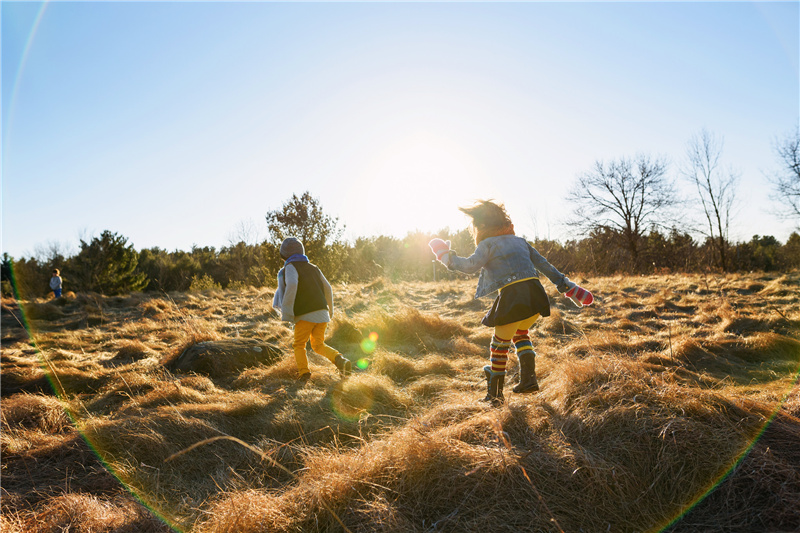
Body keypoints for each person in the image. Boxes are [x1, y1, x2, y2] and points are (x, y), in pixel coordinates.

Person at [429, 200, 594, 405]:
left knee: (498, 344)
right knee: (520, 331)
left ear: (481, 226)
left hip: (513, 297)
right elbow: (545, 266)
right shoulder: (521, 242)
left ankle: (495, 395)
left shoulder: (487, 244)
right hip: (535, 297)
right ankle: (529, 380)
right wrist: (569, 287)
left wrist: (446, 257)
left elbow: (470, 266)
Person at [272, 237, 352, 382]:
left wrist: (288, 312)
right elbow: (328, 288)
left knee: (299, 344)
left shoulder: (290, 267)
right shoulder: (314, 268)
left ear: (284, 255)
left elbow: (292, 285)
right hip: (322, 313)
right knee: (318, 344)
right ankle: (340, 360)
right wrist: (330, 311)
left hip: (305, 314)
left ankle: (304, 373)